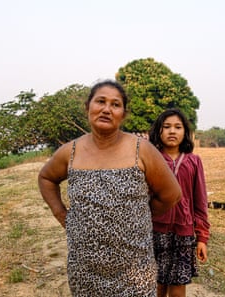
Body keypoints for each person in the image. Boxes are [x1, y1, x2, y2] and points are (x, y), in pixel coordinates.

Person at [38, 80, 182, 296]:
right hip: (85, 269)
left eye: (115, 105)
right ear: (88, 107)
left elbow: (171, 194)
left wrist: (139, 216)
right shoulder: (71, 151)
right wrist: (61, 214)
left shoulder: (141, 150)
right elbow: (46, 178)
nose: (106, 109)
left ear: (123, 114)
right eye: (100, 102)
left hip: (135, 271)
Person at [148, 108, 210, 297]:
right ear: (158, 131)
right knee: (155, 284)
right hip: (154, 231)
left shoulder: (194, 161)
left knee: (178, 286)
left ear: (185, 132)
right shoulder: (151, 158)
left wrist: (202, 238)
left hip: (183, 233)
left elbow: (200, 201)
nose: (172, 131)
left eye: (178, 127)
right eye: (166, 127)